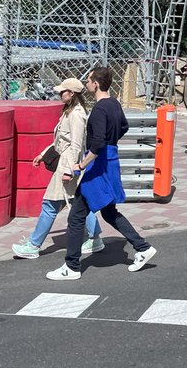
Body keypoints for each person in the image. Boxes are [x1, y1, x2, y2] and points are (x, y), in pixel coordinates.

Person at [46, 65, 156, 280]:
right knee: (108, 211)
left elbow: (96, 144)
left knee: (76, 216)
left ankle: (72, 267)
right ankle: (142, 247)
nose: (86, 84)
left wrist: (81, 165)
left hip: (98, 165)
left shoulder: (98, 110)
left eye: (88, 80)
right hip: (110, 161)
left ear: (96, 83)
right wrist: (109, 144)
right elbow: (123, 127)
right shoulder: (114, 104)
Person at [11, 78, 103, 259]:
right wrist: (45, 154)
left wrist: (70, 170)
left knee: (50, 206)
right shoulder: (68, 111)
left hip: (67, 167)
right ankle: (95, 239)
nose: (60, 94)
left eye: (63, 91)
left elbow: (76, 145)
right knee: (79, 203)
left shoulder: (76, 114)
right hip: (67, 165)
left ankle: (33, 245)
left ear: (73, 93)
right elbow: (59, 141)